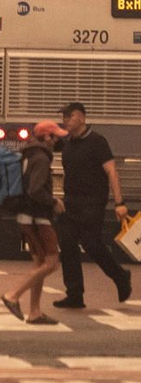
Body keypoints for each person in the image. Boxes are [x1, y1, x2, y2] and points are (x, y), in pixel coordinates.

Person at [53, 100, 132, 308]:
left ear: (81, 117)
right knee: (67, 243)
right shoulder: (68, 143)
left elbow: (111, 171)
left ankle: (120, 276)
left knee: (91, 244)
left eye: (69, 116)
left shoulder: (98, 141)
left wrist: (119, 203)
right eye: (64, 117)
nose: (65, 121)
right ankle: (75, 294)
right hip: (70, 202)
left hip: (92, 202)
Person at [1, 119, 66, 325]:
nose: (57, 141)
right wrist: (54, 201)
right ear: (47, 137)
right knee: (51, 263)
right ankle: (13, 295)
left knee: (39, 262)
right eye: (55, 137)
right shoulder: (41, 158)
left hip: (26, 216)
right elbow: (36, 190)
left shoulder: (28, 154)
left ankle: (35, 312)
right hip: (38, 218)